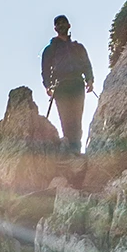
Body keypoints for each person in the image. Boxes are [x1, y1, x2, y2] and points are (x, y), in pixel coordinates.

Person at [40, 16, 95, 154]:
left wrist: (90, 79)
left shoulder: (78, 47)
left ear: (69, 25)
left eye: (63, 23)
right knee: (66, 119)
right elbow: (45, 69)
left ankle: (76, 149)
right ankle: (71, 150)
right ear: (55, 28)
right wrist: (48, 85)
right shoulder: (50, 49)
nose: (61, 26)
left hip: (77, 83)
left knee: (77, 118)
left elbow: (86, 64)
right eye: (58, 24)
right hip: (61, 86)